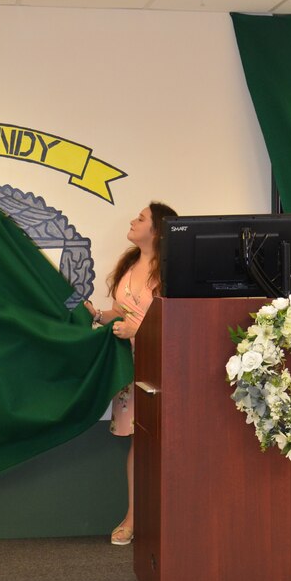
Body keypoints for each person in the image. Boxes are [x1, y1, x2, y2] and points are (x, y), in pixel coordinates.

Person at [83, 201, 177, 546]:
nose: (133, 221)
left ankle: (171, 521)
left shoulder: (171, 269)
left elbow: (172, 322)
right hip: (131, 367)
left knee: (170, 443)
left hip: (165, 367)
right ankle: (134, 518)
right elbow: (122, 313)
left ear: (157, 229)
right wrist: (100, 315)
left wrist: (135, 329)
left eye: (141, 219)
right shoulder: (129, 265)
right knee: (140, 443)